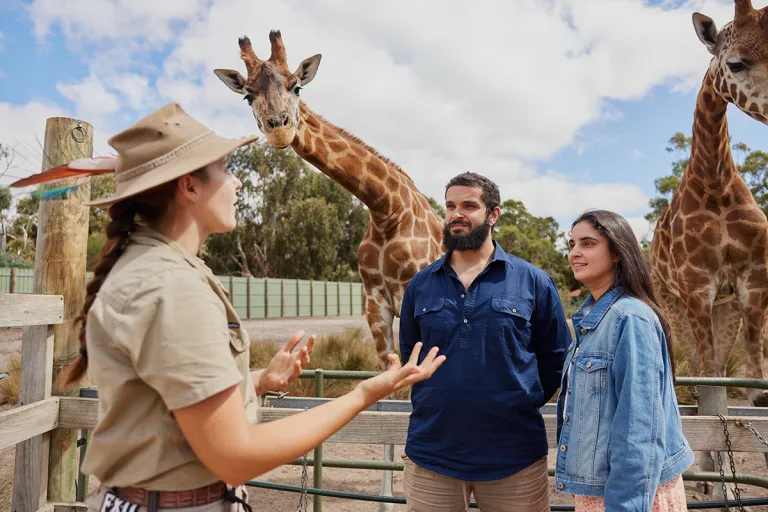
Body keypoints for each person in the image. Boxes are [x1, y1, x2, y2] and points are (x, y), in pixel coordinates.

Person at [55, 103, 445, 512]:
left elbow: (162, 398)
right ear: (188, 187)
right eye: (226, 169)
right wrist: (365, 393)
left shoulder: (152, 269)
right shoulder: (172, 287)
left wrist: (255, 381)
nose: (237, 183)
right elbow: (233, 455)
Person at [398, 171, 571, 512]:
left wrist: (515, 400)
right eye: (450, 206)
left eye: (468, 205)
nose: (456, 214)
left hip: (515, 460)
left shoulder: (533, 282)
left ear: (493, 214)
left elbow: (556, 361)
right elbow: (411, 356)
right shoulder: (420, 285)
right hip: (432, 457)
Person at [555, 210, 694, 511]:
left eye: (588, 243)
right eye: (572, 244)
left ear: (617, 252)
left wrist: (626, 505)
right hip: (603, 490)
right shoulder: (593, 319)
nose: (575, 253)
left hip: (629, 495)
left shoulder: (630, 318)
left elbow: (640, 428)